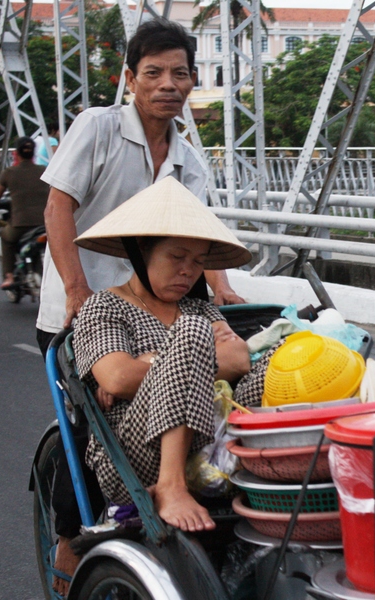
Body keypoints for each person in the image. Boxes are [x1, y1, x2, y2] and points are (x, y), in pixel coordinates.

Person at [37, 18, 245, 592]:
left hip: (166, 308)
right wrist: (79, 292)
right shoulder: (98, 128)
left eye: (180, 74)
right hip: (85, 308)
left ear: (192, 81)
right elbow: (59, 209)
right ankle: (70, 540)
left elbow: (197, 237)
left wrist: (221, 286)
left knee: (232, 372)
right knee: (87, 429)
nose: (167, 85)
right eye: (153, 73)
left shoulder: (189, 157)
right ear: (129, 78)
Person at [71, 177, 271, 532]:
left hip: (212, 440)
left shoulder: (199, 307)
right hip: (135, 458)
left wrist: (149, 360)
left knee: (284, 358)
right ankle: (171, 485)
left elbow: (240, 359)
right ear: (141, 252)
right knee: (191, 333)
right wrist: (185, 353)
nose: (188, 271)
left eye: (196, 262)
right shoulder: (103, 306)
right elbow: (116, 378)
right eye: (176, 257)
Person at [0, 137, 50, 288]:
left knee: (6, 238)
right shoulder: (44, 171)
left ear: (16, 153)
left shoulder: (9, 173)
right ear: (33, 153)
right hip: (45, 223)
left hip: (21, 224)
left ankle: (9, 276)